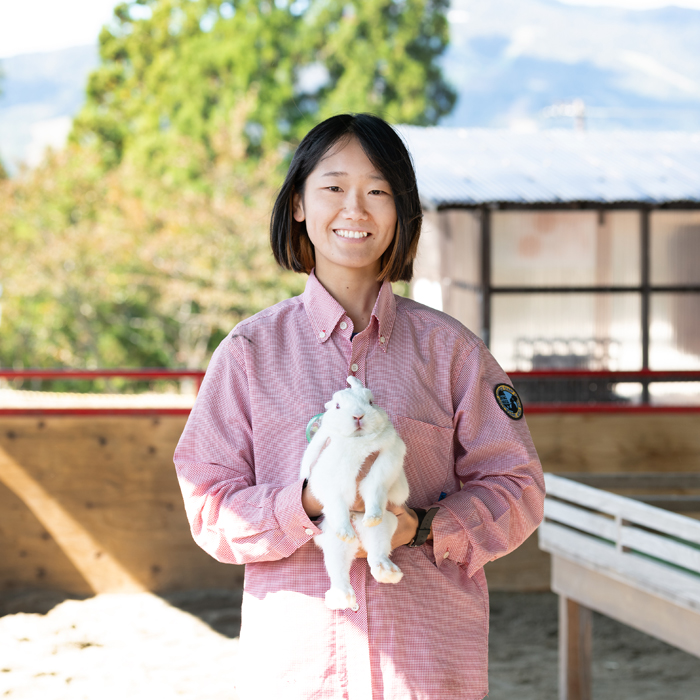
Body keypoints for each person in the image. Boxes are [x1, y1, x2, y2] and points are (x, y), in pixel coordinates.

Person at [173, 113, 545, 700]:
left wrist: (422, 528)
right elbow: (208, 504)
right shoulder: (248, 352)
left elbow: (517, 485)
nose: (356, 208)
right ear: (298, 203)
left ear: (403, 213)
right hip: (298, 669)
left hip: (427, 667)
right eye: (334, 187)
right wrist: (307, 503)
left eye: (378, 191)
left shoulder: (452, 351)